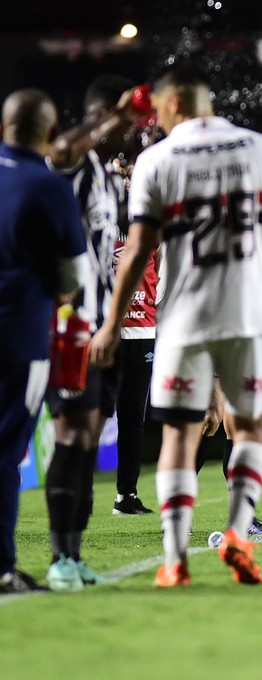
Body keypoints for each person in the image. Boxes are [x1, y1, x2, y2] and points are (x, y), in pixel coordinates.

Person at [90, 65, 262, 587]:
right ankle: (237, 534)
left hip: (183, 318)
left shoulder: (157, 159)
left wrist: (111, 324)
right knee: (253, 427)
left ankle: (175, 558)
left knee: (181, 434)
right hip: (249, 314)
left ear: (168, 106)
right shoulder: (260, 149)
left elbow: (139, 248)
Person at [42, 76, 147, 589]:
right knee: (73, 436)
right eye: (122, 123)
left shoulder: (107, 178)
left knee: (85, 439)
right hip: (67, 325)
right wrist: (113, 117)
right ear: (102, 117)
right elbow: (60, 148)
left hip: (102, 325)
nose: (131, 131)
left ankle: (74, 556)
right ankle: (60, 557)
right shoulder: (73, 163)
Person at [0, 89, 88, 594]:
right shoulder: (49, 186)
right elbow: (72, 276)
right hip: (19, 333)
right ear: (51, 134)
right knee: (6, 452)